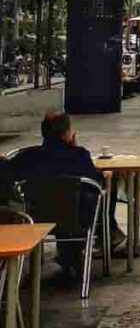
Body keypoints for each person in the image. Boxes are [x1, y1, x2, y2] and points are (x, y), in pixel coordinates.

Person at [9, 112, 122, 278]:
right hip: (76, 218)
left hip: (36, 218)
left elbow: (9, 173)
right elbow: (96, 182)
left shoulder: (28, 157)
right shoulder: (79, 155)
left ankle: (69, 255)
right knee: (98, 192)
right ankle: (105, 237)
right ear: (66, 133)